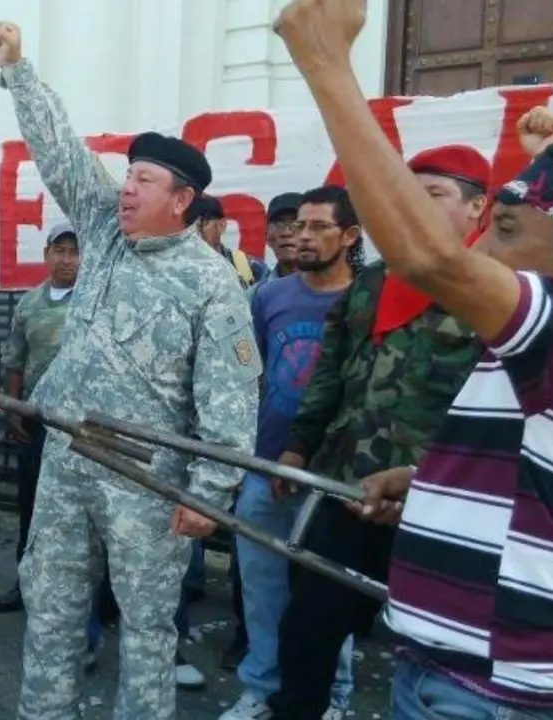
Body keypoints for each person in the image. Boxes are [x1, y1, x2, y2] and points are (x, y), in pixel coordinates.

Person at [278, 4, 553, 717]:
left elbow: (429, 258)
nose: (483, 251)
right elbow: (537, 477)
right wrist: (429, 484)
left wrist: (325, 62)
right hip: (456, 674)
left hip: (493, 693)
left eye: (504, 230)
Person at [0, 21, 260, 719]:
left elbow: (230, 397)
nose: (127, 188)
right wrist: (18, 68)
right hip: (68, 459)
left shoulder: (210, 281)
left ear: (182, 200)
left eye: (144, 179)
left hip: (147, 477)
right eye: (129, 174)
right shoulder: (104, 229)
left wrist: (208, 494)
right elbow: (58, 152)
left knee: (145, 626)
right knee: (49, 607)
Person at [263, 143, 491, 719]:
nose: (416, 206)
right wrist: (298, 447)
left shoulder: (496, 291)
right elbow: (329, 375)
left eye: (435, 195)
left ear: (477, 208)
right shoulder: (371, 282)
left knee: (438, 653)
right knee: (308, 626)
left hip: (439, 505)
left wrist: (425, 481)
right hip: (345, 487)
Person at [221, 185, 363, 720]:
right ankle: (261, 687)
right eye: (296, 226)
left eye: (316, 227)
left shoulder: (365, 299)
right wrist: (244, 455)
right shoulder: (269, 296)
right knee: (261, 589)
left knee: (327, 597)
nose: (300, 236)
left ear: (349, 236)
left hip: (332, 478)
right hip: (263, 467)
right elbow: (247, 378)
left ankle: (335, 696)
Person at [0, 222, 80, 614]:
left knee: (83, 515)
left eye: (73, 251)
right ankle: (25, 584)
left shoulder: (96, 300)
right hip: (37, 425)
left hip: (83, 430)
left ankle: (93, 598)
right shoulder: (29, 304)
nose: (66, 259)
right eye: (58, 250)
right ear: (46, 255)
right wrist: (13, 410)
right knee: (31, 506)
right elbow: (14, 362)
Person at [187, 194, 269, 290]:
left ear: (222, 225)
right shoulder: (173, 268)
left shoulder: (251, 268)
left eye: (203, 223)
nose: (195, 231)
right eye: (188, 225)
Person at [253, 192, 303, 291]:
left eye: (295, 224)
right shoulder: (255, 296)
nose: (286, 233)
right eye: (278, 224)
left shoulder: (336, 290)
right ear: (268, 238)